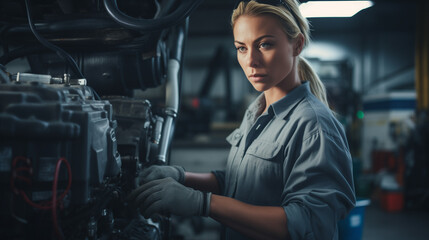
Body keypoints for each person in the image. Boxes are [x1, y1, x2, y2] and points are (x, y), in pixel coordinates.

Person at [127, 0, 356, 239]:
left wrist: (203, 203)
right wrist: (183, 178)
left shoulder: (314, 126)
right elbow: (241, 184)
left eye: (265, 44)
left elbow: (308, 223)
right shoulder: (256, 110)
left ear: (296, 45)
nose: (251, 61)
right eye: (242, 48)